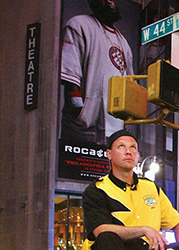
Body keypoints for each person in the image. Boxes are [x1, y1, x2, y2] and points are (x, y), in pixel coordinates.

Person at [60, 0, 134, 145]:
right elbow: (70, 74)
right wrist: (79, 114)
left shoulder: (123, 42)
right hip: (85, 129)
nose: (109, 1)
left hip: (117, 133)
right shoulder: (79, 25)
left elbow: (130, 85)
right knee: (78, 167)